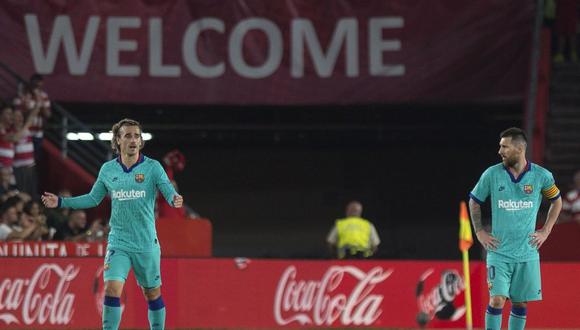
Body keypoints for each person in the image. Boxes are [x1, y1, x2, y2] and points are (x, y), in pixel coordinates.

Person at [41, 118, 183, 330]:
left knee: (151, 293)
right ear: (117, 140)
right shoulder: (108, 170)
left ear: (141, 141)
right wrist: (61, 201)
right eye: (127, 135)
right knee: (111, 288)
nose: (133, 139)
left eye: (137, 136)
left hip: (146, 243)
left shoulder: (153, 167)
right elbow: (93, 198)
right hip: (119, 242)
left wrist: (173, 198)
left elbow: (167, 188)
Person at [468, 127, 562, 330]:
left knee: (520, 303)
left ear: (520, 149)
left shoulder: (542, 176)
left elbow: (557, 201)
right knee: (497, 300)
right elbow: (474, 201)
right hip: (499, 252)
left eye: (504, 147)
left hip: (527, 253)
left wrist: (546, 231)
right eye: (500, 146)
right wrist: (479, 231)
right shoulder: (491, 174)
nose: (500, 151)